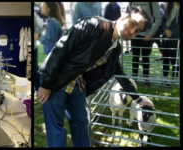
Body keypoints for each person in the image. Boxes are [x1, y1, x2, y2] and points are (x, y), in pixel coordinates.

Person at [37, 6, 154, 147]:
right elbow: (62, 47)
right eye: (133, 23)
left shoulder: (116, 48)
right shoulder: (94, 24)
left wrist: (138, 99)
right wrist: (46, 84)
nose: (133, 31)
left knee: (81, 125)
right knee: (56, 130)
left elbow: (118, 73)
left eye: (138, 31)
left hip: (77, 84)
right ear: (124, 15)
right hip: (56, 81)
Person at [128, 2, 162, 88]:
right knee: (135, 57)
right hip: (134, 35)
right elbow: (127, 15)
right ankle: (134, 78)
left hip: (147, 36)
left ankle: (146, 79)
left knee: (145, 58)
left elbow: (158, 18)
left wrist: (150, 34)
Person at [160, 2, 180, 87]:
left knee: (174, 59)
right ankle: (165, 78)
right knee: (165, 58)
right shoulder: (167, 6)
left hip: (175, 38)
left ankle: (173, 80)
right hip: (165, 37)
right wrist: (165, 30)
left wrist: (172, 33)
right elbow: (162, 21)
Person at [34, 11, 43, 92]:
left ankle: (37, 86)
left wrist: (36, 34)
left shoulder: (34, 14)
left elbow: (40, 26)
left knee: (34, 67)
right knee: (34, 67)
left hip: (33, 46)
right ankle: (37, 86)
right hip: (33, 46)